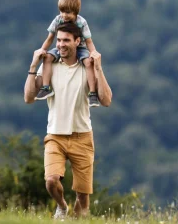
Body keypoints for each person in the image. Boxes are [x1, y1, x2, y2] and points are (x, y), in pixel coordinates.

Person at [24, 22, 112, 219]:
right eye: (59, 40)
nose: (61, 44)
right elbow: (28, 98)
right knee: (51, 181)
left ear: (77, 41)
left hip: (82, 137)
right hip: (55, 136)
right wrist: (33, 65)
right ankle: (62, 207)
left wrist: (98, 68)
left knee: (82, 200)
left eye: (66, 40)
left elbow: (106, 100)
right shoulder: (49, 65)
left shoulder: (87, 66)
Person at [35, 0, 101, 107]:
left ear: (75, 12)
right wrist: (42, 50)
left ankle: (92, 93)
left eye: (67, 12)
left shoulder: (81, 22)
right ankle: (46, 87)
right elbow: (50, 38)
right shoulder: (58, 19)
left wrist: (93, 53)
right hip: (61, 47)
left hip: (80, 47)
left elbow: (89, 41)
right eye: (62, 12)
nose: (64, 15)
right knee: (48, 58)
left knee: (88, 63)